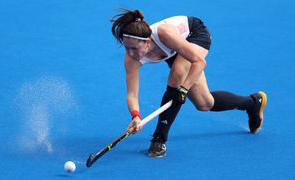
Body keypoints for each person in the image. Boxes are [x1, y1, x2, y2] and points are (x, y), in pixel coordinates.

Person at [111, 9, 267, 158]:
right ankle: (253, 103)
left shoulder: (164, 33)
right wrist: (136, 116)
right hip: (174, 48)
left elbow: (200, 62)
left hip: (194, 35)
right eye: (126, 47)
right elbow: (132, 93)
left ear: (148, 42)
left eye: (134, 48)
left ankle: (159, 139)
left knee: (177, 75)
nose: (130, 53)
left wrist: (184, 89)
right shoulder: (131, 58)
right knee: (205, 103)